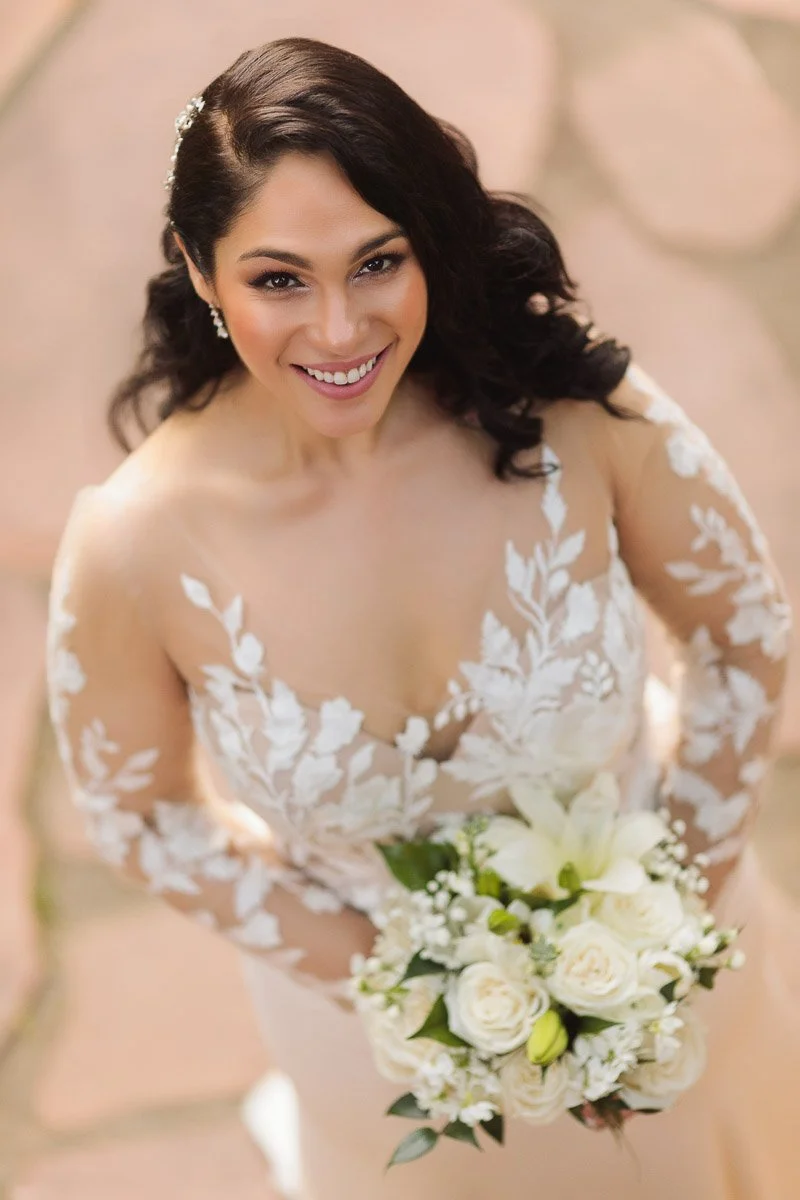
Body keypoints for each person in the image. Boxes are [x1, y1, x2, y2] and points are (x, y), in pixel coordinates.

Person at [45, 36, 799, 1200]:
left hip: (674, 1000)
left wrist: (662, 930)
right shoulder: (136, 543)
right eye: (279, 280)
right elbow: (142, 815)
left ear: (428, 243)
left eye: (377, 263)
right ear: (199, 270)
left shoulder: (574, 413)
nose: (340, 330)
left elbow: (740, 636)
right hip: (385, 1068)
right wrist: (405, 981)